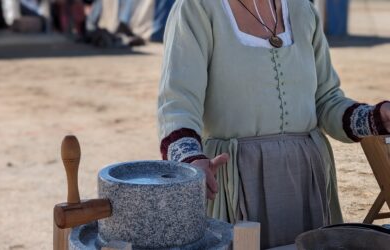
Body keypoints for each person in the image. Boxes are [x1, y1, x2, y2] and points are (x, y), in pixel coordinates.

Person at [157, 0, 390, 248]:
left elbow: (326, 100)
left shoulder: (303, 10)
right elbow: (178, 104)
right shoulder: (197, 9)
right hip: (235, 179)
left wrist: (376, 116)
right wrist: (191, 161)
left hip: (306, 179)